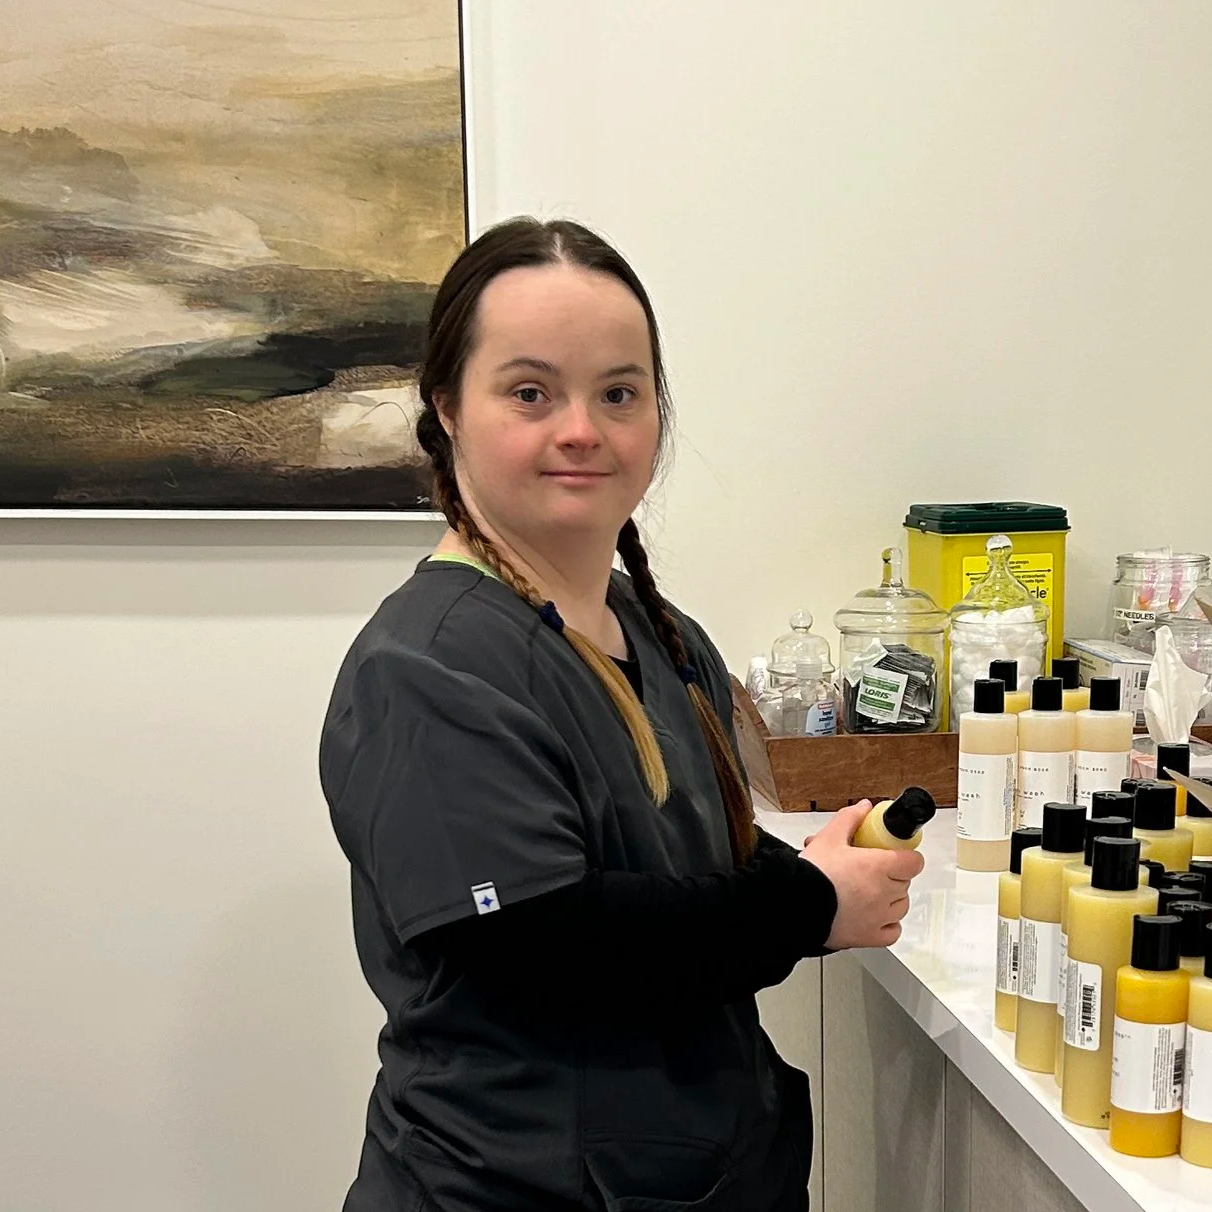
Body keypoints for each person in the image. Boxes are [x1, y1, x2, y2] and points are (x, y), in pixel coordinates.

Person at [319, 217, 924, 1212]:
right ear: (446, 410)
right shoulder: (427, 666)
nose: (581, 429)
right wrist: (808, 908)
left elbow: (674, 865)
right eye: (529, 392)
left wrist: (812, 873)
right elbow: (542, 947)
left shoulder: (658, 634)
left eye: (618, 393)